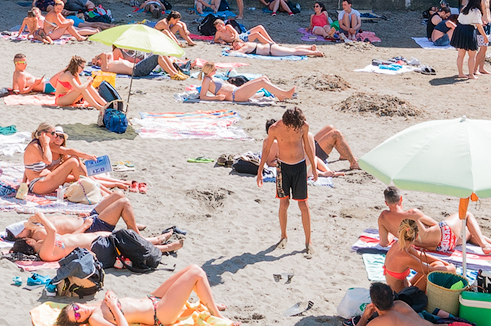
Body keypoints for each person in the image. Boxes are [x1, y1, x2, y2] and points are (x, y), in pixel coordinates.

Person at [42, 264, 223, 326]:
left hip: (152, 298)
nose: (79, 310)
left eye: (75, 308)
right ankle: (217, 315)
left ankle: (209, 303)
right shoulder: (95, 318)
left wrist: (111, 299)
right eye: (78, 316)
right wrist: (113, 306)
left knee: (191, 269)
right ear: (81, 322)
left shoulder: (95, 305)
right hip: (159, 313)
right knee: (197, 273)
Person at [268, 106, 320, 251]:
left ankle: (308, 242)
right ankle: (283, 236)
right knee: (284, 204)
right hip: (283, 168)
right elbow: (266, 148)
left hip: (299, 167)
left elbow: (308, 148)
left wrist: (314, 169)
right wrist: (260, 171)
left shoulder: (303, 127)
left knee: (303, 205)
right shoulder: (275, 128)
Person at [198, 61, 297, 102]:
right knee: (262, 81)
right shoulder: (206, 80)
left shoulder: (211, 78)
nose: (216, 71)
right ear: (209, 70)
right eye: (214, 70)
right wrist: (216, 97)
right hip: (234, 95)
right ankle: (285, 94)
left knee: (264, 78)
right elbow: (202, 96)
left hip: (237, 90)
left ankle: (279, 96)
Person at [451, 0, 483, 80]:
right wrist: (484, 36)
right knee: (472, 55)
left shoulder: (464, 8)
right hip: (469, 30)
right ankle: (471, 74)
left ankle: (460, 73)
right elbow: (479, 25)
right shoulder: (476, 11)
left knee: (460, 55)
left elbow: (459, 20)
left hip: (460, 30)